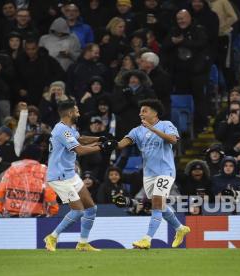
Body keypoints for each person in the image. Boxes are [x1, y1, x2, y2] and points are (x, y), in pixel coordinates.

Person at [43, 100, 117, 252]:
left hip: (70, 174)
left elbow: (81, 139)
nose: (79, 113)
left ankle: (82, 243)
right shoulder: (62, 130)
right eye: (76, 111)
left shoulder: (67, 128)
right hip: (59, 176)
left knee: (91, 208)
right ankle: (52, 237)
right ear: (70, 113)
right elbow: (80, 150)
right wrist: (102, 147)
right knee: (78, 211)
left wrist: (99, 139)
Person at [116, 99, 190, 249]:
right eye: (140, 111)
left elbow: (173, 140)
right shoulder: (137, 130)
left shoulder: (166, 125)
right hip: (149, 174)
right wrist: (108, 143)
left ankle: (147, 239)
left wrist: (152, 128)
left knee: (156, 203)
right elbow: (121, 144)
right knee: (160, 205)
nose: (140, 113)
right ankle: (180, 228)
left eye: (144, 111)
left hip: (165, 171)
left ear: (155, 113)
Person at [0, 145, 59, 217]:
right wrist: (53, 210)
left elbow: (1, 190)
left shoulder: (12, 169)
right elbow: (49, 192)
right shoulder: (43, 170)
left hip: (12, 213)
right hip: (36, 214)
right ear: (39, 156)